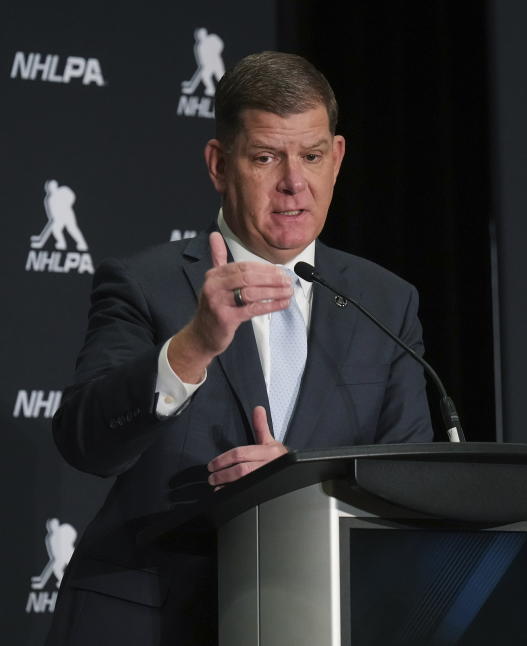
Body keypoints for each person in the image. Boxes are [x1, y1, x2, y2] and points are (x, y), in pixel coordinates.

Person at [46, 51, 434, 645]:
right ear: (219, 164)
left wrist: (301, 483)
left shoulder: (386, 302)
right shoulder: (144, 283)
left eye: (310, 157)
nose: (293, 184)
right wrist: (194, 345)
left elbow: (412, 483)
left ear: (337, 158)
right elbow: (86, 441)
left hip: (315, 617)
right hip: (152, 618)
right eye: (264, 158)